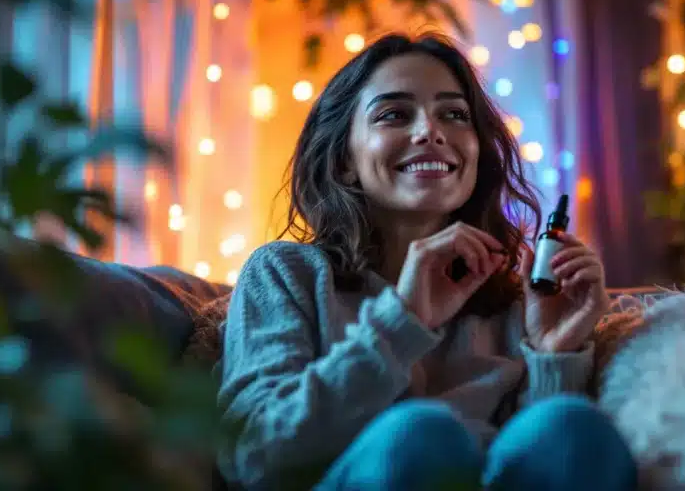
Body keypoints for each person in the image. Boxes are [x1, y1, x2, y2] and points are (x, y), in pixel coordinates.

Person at [216, 33, 637, 491]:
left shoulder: (514, 302)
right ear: (344, 161)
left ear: (477, 152)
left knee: (573, 426)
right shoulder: (287, 274)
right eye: (394, 114)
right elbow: (251, 454)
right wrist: (402, 321)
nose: (430, 131)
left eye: (454, 115)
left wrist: (552, 356)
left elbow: (538, 466)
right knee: (420, 435)